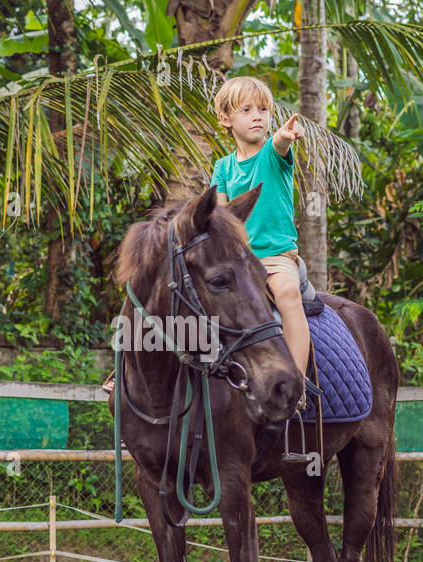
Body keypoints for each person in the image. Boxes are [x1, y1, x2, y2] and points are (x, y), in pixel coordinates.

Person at [104, 76, 311, 423]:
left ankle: (297, 384)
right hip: (239, 257)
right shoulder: (223, 167)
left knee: (287, 293)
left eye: (263, 109)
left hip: (275, 256)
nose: (257, 116)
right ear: (225, 119)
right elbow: (223, 217)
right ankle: (125, 372)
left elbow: (278, 145)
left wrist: (284, 138)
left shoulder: (273, 157)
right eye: (246, 110)